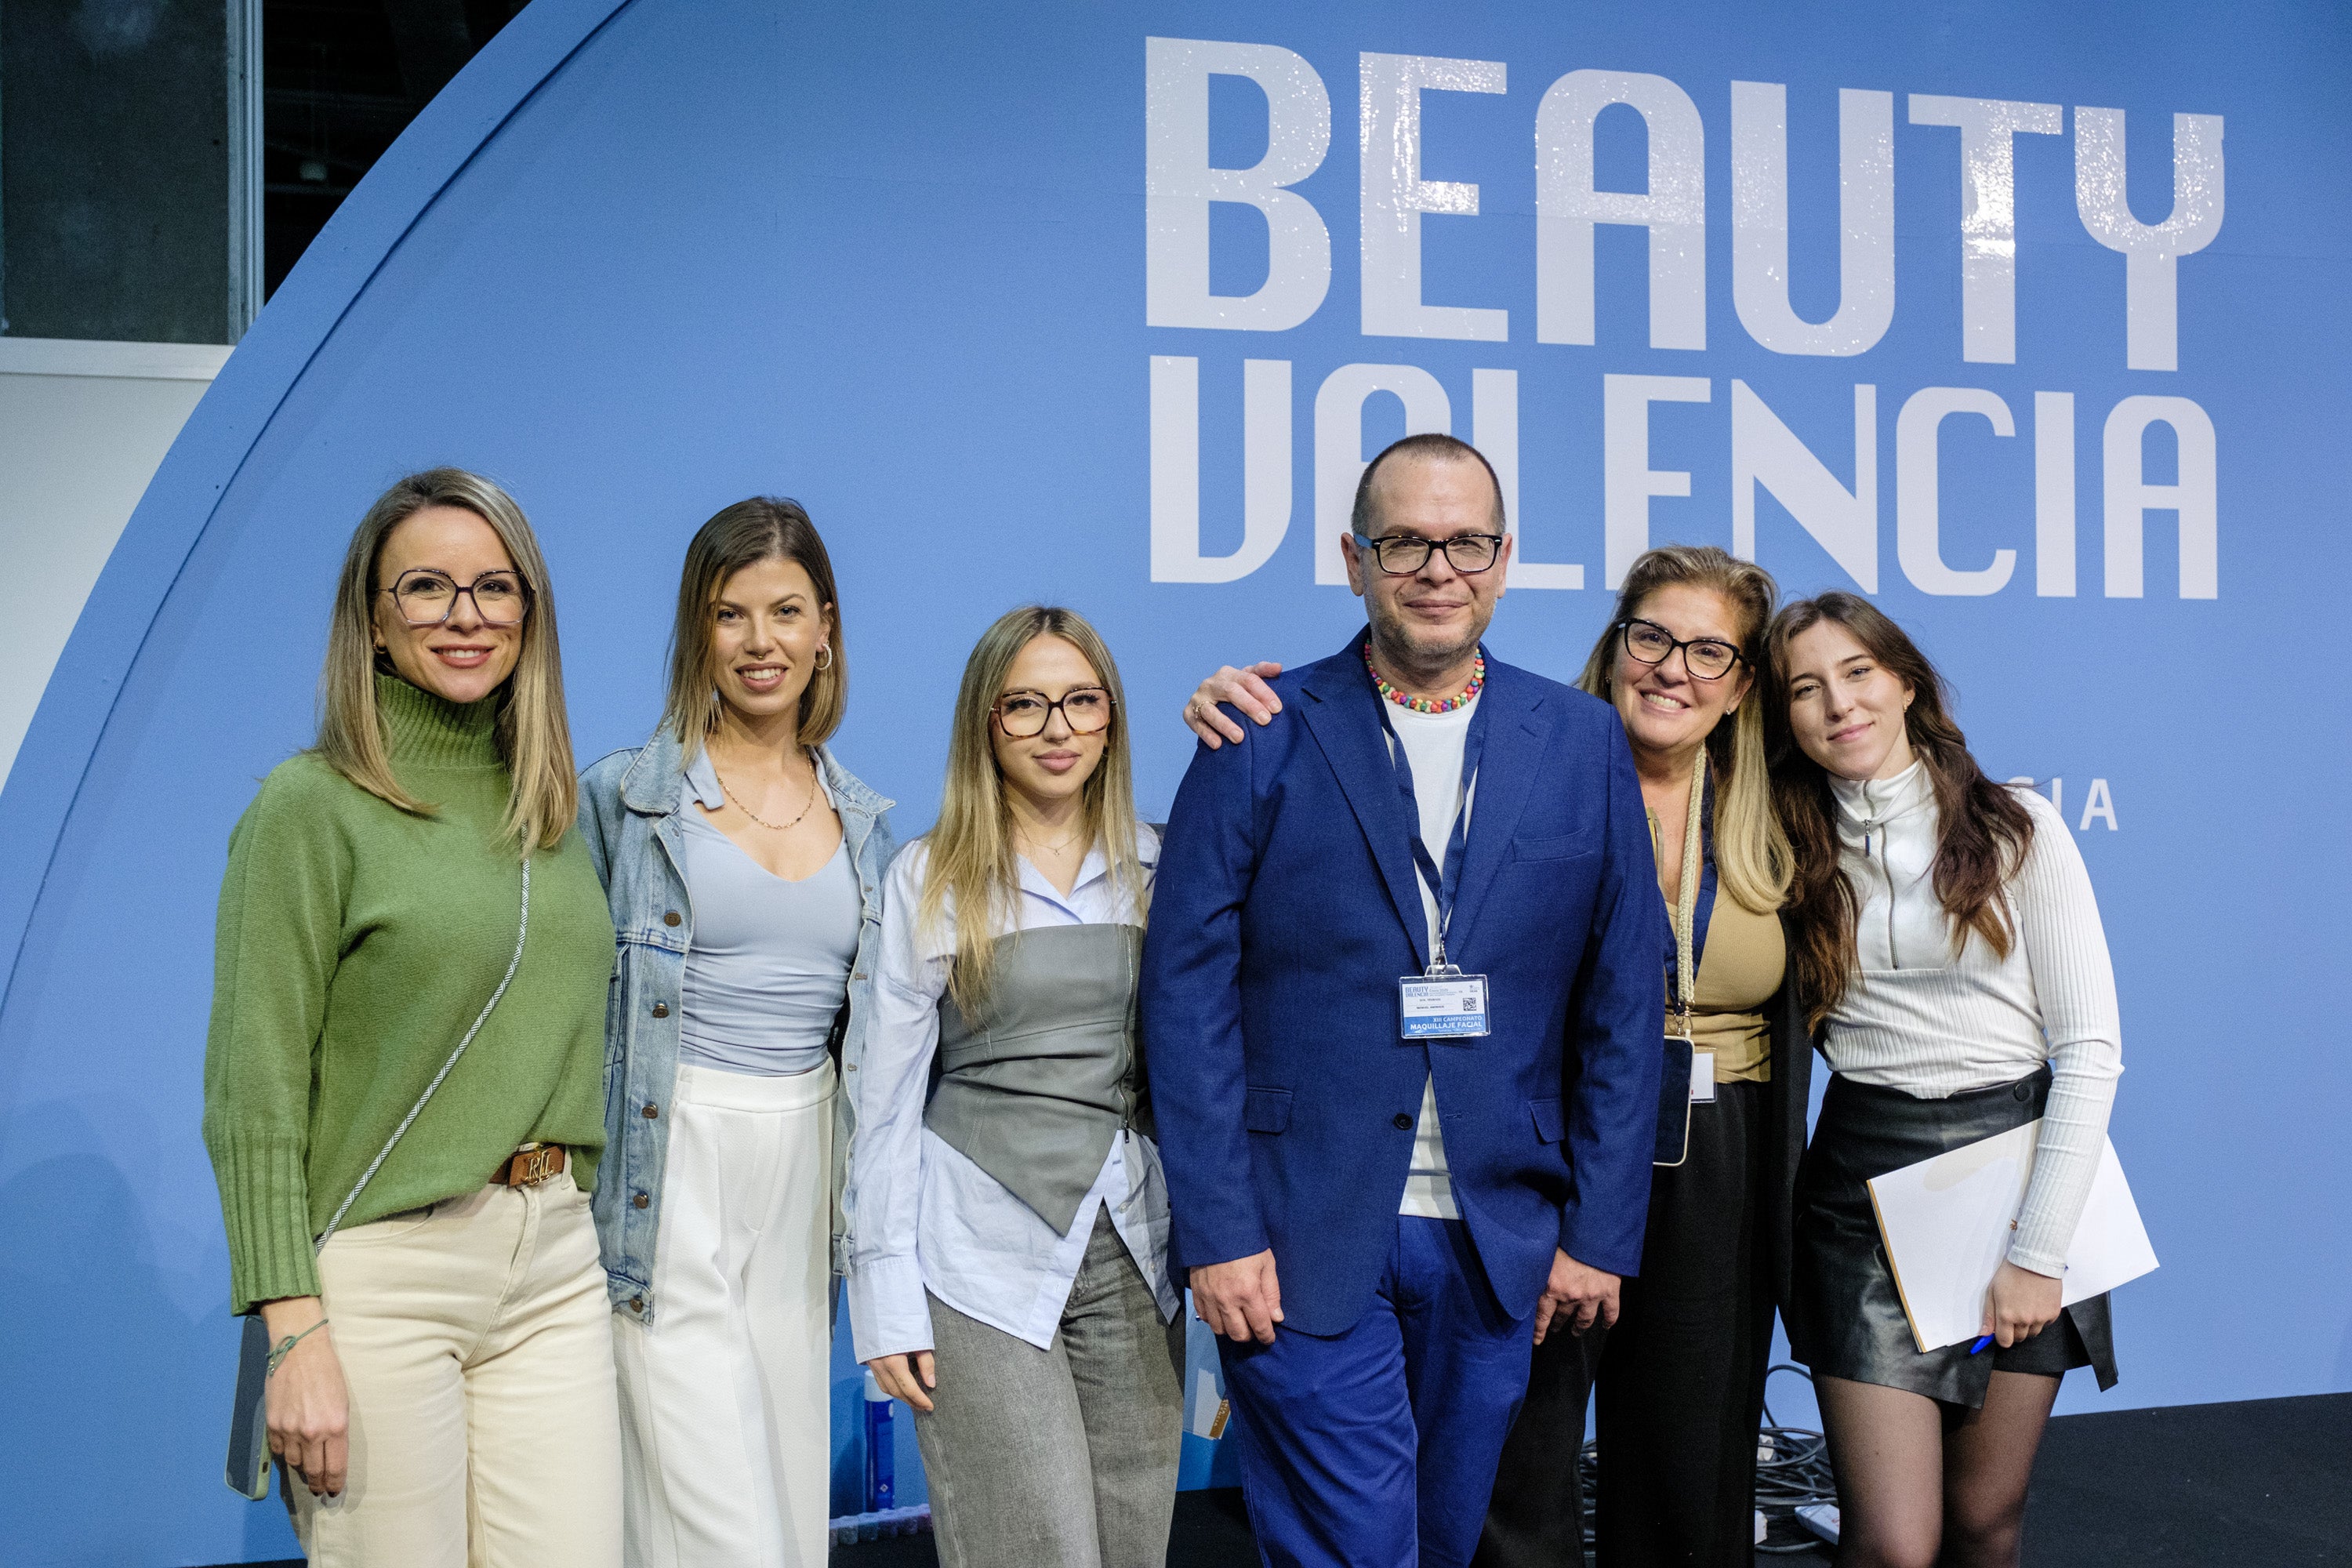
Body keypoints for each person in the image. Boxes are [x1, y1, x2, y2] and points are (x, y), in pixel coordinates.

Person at [1191, 545, 1810, 1568]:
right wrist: (1231, 704)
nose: (1674, 668)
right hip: (1538, 1154)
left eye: (1710, 652)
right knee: (1513, 1482)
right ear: (1617, 645)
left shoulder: (1784, 814)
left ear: (1743, 682)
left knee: (1690, 1469)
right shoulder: (1533, 751)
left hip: (1715, 1162)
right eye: (1652, 637)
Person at [1145, 433, 1666, 1568]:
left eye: (1467, 542)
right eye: (1405, 541)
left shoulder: (1578, 740)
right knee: (1355, 1550)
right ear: (1353, 559)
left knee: (1437, 1546)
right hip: (1300, 1233)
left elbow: (1628, 1000)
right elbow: (1185, 1000)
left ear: (1505, 558)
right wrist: (1218, 1231)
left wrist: (1599, 1235)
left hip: (1498, 1237)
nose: (1439, 567)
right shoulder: (1258, 730)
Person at [202, 467, 622, 1565]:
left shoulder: (550, 810)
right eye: (426, 588)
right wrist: (290, 1327)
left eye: (495, 587)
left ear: (530, 614)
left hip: (552, 1263)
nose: (465, 615)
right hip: (386, 1276)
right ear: (375, 625)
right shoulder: (309, 807)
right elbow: (255, 1090)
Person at [1769, 592, 2121, 1568]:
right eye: (1804, 687)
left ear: (1906, 680)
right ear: (1782, 715)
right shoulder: (1783, 845)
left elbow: (2090, 1049)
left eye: (1857, 672)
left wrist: (2039, 1250)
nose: (1837, 702)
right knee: (1893, 1543)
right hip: (1859, 1201)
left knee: (1982, 1524)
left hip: (2019, 1183)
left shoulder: (2020, 827)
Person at [578, 498, 897, 1568]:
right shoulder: (624, 802)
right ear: (695, 631)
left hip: (806, 1166)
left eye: (785, 612)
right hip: (669, 1157)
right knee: (711, 1517)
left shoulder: (867, 823)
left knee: (789, 1508)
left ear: (826, 630)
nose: (761, 643)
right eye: (730, 614)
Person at [847, 605, 1184, 1568]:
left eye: (1082, 700)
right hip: (976, 1257)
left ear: (1112, 718)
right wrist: (885, 1301)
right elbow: (882, 1102)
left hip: (1139, 1250)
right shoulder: (928, 876)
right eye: (1025, 704)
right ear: (984, 723)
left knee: (1132, 1549)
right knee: (1034, 1548)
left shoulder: (1164, 865)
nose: (1057, 727)